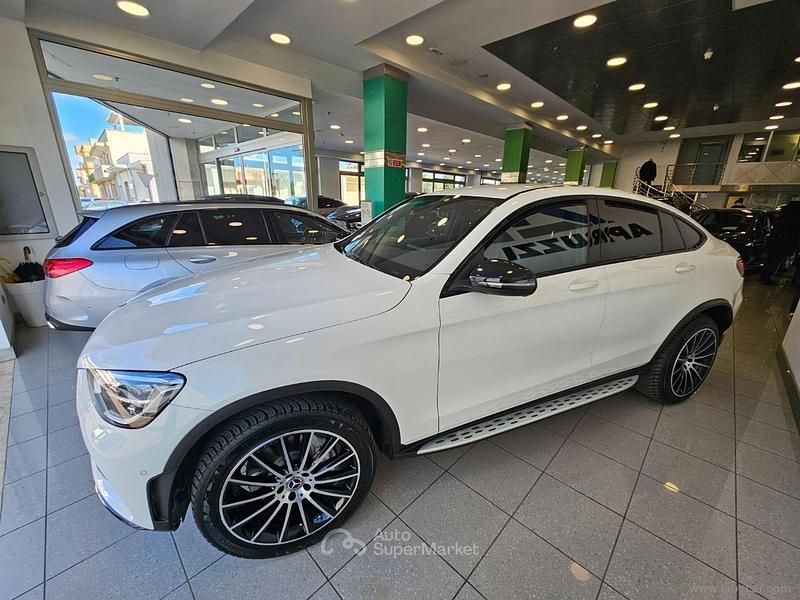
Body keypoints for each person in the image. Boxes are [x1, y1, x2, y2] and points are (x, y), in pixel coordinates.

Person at [760, 199, 800, 283]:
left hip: (774, 241)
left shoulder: (782, 217)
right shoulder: (794, 220)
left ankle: (764, 276)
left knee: (770, 260)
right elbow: (794, 234)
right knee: (775, 261)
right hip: (783, 243)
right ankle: (767, 277)